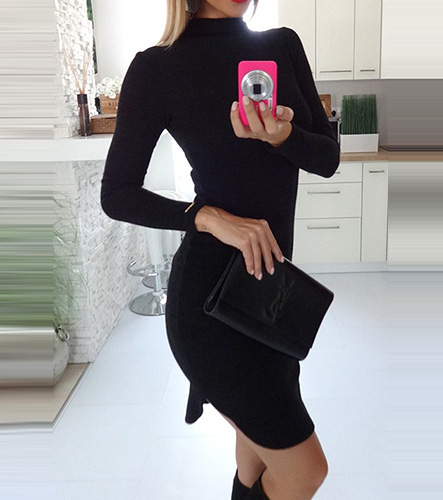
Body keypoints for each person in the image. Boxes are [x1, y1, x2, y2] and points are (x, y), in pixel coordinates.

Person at [100, 0, 340, 498]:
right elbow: (116, 193)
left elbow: (328, 158)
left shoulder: (281, 45)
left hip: (271, 298)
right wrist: (206, 216)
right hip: (210, 305)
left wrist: (283, 136)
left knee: (255, 462)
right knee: (305, 471)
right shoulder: (157, 67)